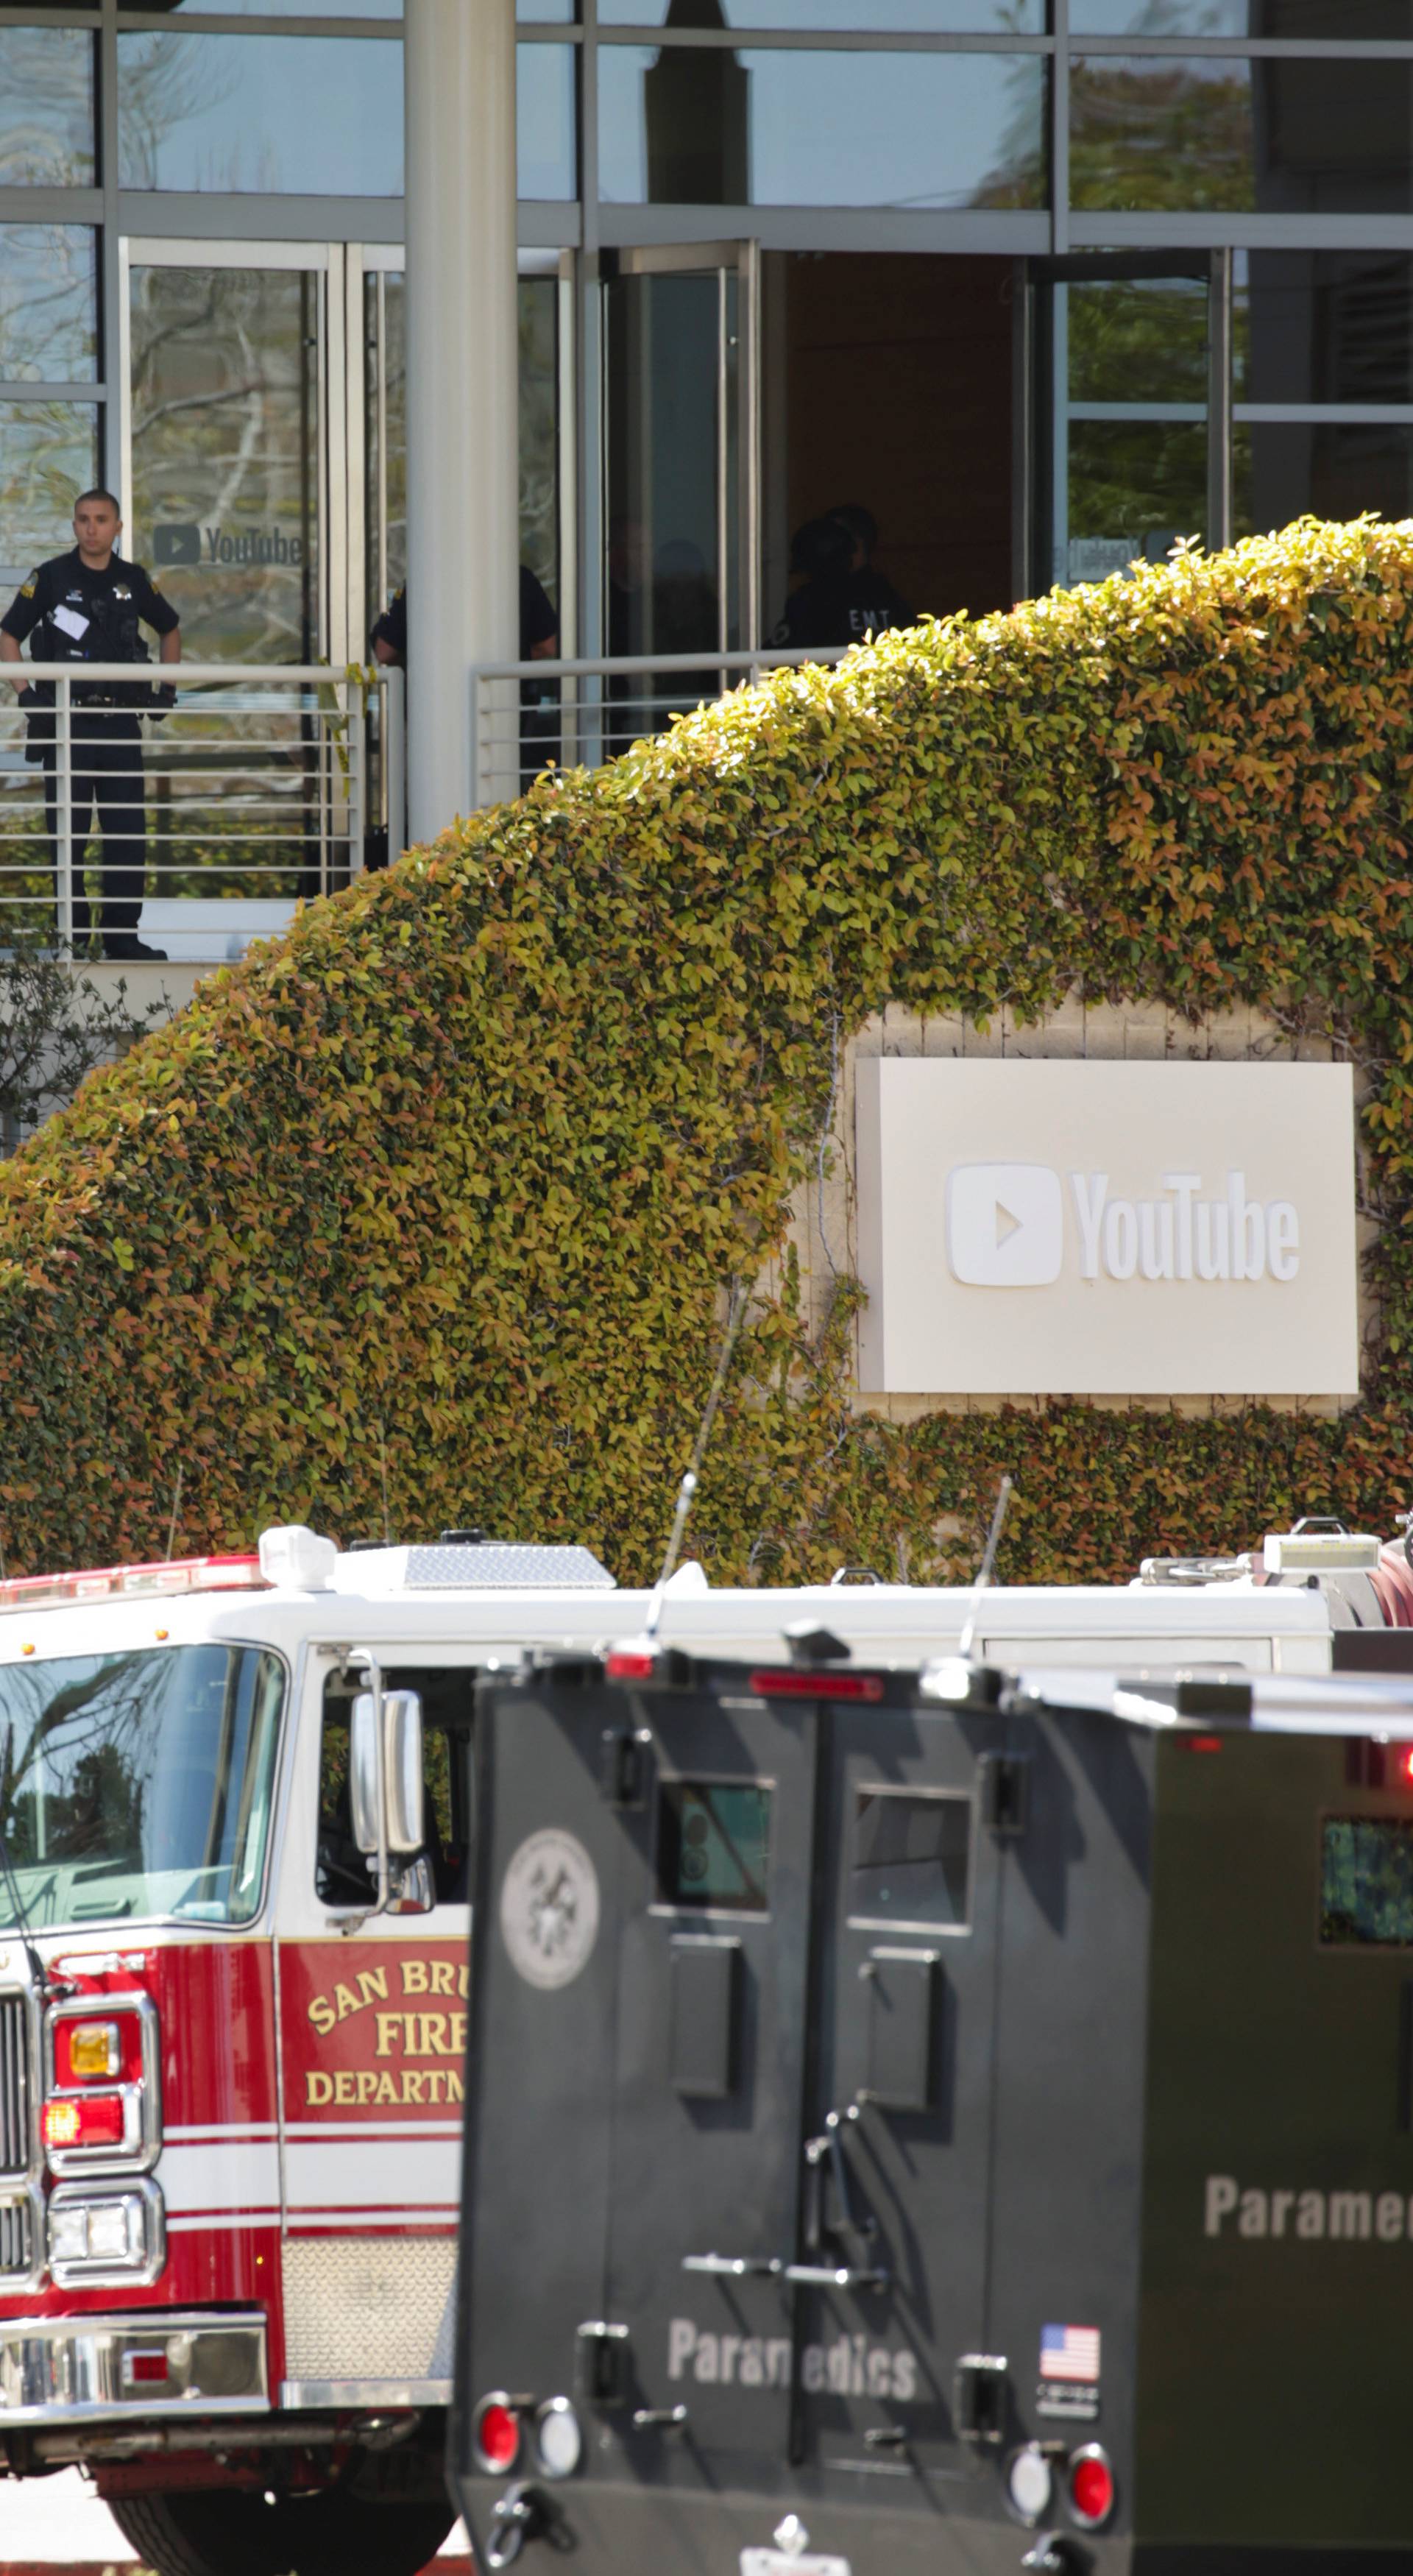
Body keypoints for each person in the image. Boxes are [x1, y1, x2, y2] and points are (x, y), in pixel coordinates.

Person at [1, 487, 181, 961]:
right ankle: (74, 938)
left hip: (121, 725)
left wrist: (167, 689)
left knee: (125, 833)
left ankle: (122, 938)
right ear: (74, 525)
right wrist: (28, 696)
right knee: (69, 833)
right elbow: (8, 636)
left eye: (101, 519)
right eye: (83, 519)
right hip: (67, 725)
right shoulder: (53, 577)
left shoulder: (134, 579)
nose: (91, 528)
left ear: (117, 527)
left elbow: (170, 628)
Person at [371, 567, 559, 787]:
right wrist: (515, 655)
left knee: (437, 792)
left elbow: (385, 650)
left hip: (437, 717)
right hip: (503, 709)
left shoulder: (428, 578)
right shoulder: (518, 577)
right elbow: (547, 645)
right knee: (500, 789)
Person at [769, 506, 914, 654]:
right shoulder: (890, 598)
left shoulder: (814, 600)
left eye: (831, 534)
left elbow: (776, 658)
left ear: (855, 543)